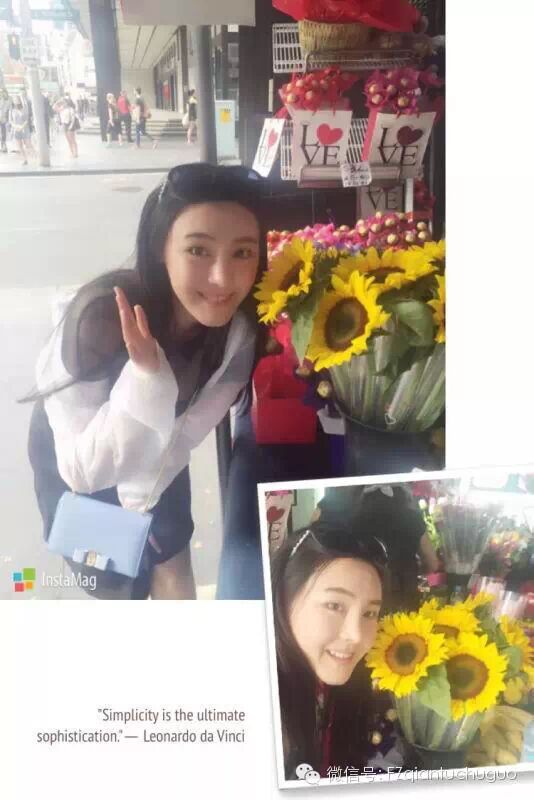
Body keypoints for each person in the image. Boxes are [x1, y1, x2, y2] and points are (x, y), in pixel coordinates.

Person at [23, 163, 267, 601]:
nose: (222, 279)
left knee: (170, 554)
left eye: (243, 253)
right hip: (82, 456)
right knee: (116, 581)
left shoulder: (237, 331)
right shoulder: (100, 319)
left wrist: (147, 499)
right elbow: (83, 470)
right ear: (160, 247)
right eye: (198, 250)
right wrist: (146, 378)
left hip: (162, 451)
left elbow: (185, 434)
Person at [272, 520, 405, 780]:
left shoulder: (350, 691)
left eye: (369, 613)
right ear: (283, 600)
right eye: (334, 606)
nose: (356, 635)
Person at [312, 484, 439, 612]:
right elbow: (432, 563)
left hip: (361, 601)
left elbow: (312, 543)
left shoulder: (345, 514)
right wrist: (411, 569)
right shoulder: (413, 518)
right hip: (404, 601)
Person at [9, 96, 30, 165]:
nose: (16, 101)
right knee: (19, 146)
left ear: (20, 100)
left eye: (17, 100)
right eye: (15, 100)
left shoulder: (24, 108)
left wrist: (22, 126)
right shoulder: (12, 110)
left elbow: (27, 119)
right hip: (16, 129)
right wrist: (16, 126)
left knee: (28, 144)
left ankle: (35, 157)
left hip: (24, 129)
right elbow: (10, 121)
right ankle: (25, 160)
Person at [0, 89, 11, 153]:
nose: (3, 94)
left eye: (4, 93)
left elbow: (8, 110)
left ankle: (4, 146)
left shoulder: (8, 101)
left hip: (4, 119)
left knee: (3, 133)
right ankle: (3, 146)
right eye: (2, 93)